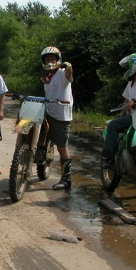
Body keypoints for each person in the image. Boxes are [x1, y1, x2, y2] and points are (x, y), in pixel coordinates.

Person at [102, 53, 136, 168]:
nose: (127, 69)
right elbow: (126, 101)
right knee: (113, 124)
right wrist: (122, 111)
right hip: (133, 116)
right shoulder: (130, 83)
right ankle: (109, 158)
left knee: (112, 125)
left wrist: (135, 101)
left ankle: (109, 158)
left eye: (129, 66)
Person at [40, 46, 74, 190]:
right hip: (49, 112)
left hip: (61, 116)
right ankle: (40, 160)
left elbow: (69, 74)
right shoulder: (48, 78)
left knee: (62, 147)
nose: (49, 61)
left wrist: (68, 67)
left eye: (52, 59)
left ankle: (66, 179)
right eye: (47, 59)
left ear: (58, 60)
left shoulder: (61, 74)